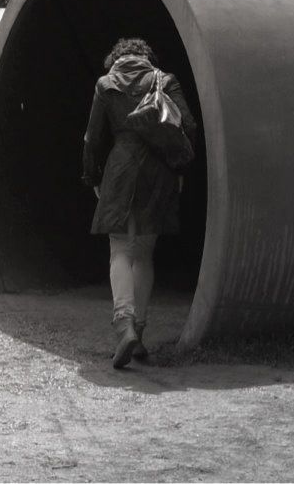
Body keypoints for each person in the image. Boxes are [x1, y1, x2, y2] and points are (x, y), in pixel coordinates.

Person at [81, 37, 196, 369]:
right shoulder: (166, 80)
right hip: (158, 172)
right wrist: (179, 167)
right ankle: (140, 333)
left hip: (120, 169)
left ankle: (124, 325)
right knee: (144, 252)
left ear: (116, 59)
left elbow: (93, 138)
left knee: (119, 249)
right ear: (146, 58)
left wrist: (93, 178)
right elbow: (187, 126)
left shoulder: (106, 84)